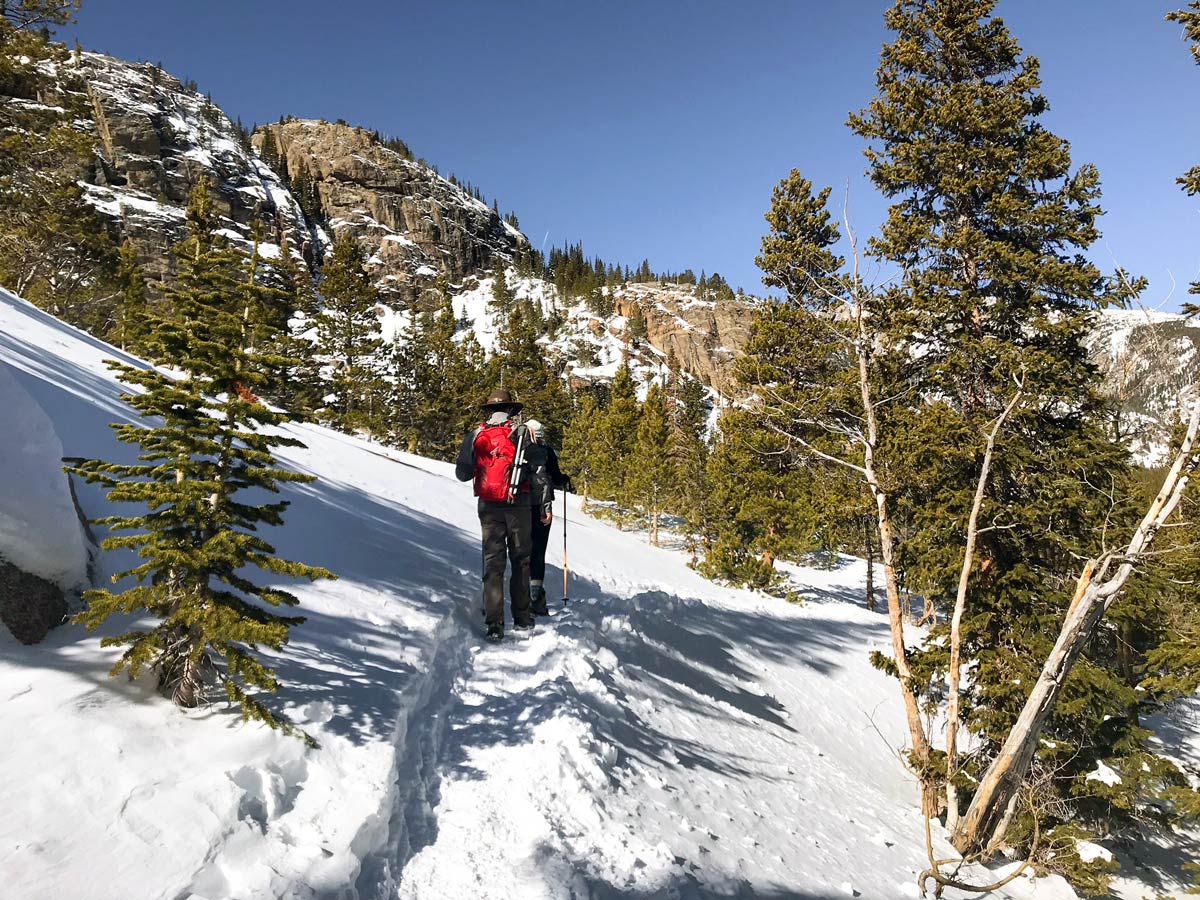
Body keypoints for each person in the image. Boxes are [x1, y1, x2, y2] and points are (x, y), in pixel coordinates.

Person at [454, 387, 550, 642]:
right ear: (510, 410)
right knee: (521, 561)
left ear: (489, 411)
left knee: (493, 564)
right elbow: (539, 474)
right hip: (519, 505)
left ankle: (494, 624)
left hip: (488, 507)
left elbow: (462, 474)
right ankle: (522, 618)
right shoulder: (523, 435)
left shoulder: (476, 435)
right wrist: (544, 506)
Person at [523, 419, 571, 616]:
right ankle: (535, 597)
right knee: (538, 551)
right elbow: (557, 478)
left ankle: (518, 594)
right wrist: (565, 480)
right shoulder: (546, 452)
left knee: (521, 551)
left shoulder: (515, 450)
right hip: (541, 508)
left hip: (515, 507)